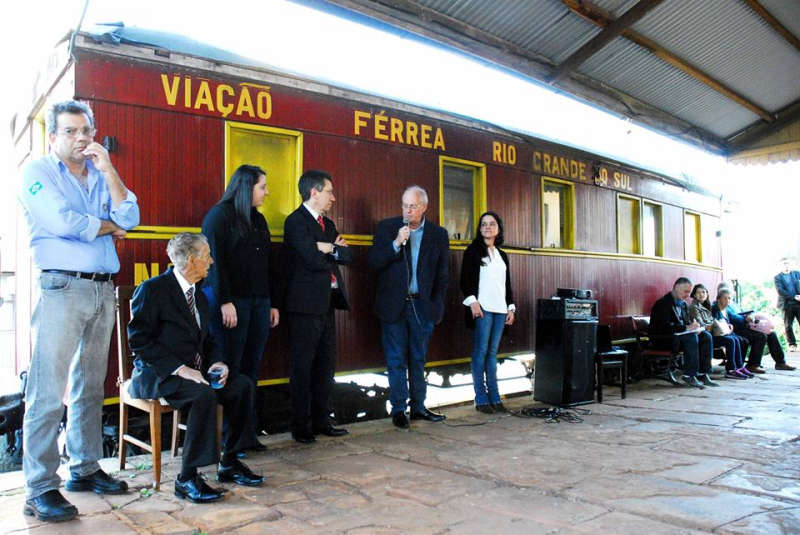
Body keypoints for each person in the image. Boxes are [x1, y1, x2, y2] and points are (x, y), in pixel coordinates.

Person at [17, 100, 139, 522]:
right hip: (62, 287)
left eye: (85, 130)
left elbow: (132, 215)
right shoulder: (36, 174)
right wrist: (108, 227)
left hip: (102, 290)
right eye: (69, 131)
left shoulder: (100, 175)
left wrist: (109, 170)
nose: (80, 138)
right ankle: (39, 488)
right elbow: (63, 221)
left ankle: (84, 469)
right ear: (53, 137)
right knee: (47, 390)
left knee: (89, 385)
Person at [128, 233, 265, 504]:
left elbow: (209, 340)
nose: (212, 262)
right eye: (207, 256)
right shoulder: (153, 289)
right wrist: (180, 369)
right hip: (158, 373)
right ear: (191, 260)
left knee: (241, 386)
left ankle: (229, 462)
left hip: (196, 372)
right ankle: (187, 478)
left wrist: (217, 363)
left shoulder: (198, 295)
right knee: (203, 395)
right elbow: (139, 340)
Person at [201, 164, 280, 451]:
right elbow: (214, 264)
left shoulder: (258, 220)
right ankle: (227, 441)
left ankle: (246, 435)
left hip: (259, 303)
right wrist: (224, 300)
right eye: (263, 186)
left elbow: (266, 266)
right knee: (229, 370)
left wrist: (271, 302)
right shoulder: (219, 217)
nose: (267, 192)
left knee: (250, 370)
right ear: (246, 188)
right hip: (231, 304)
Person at [369, 186, 450, 429]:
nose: (407, 210)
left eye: (412, 206)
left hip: (422, 306)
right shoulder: (387, 228)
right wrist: (396, 243)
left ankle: (418, 407)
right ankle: (398, 409)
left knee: (418, 358)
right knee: (395, 359)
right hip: (393, 306)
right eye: (404, 205)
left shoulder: (438, 234)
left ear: (424, 207)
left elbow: (442, 275)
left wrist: (436, 307)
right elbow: (374, 262)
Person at [283, 170, 352, 444]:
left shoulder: (328, 224)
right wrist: (327, 250)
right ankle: (301, 426)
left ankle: (323, 420)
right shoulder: (295, 222)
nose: (333, 198)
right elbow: (310, 260)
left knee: (325, 365)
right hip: (304, 306)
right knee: (302, 367)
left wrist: (328, 248)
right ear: (314, 192)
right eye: (329, 192)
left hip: (327, 304)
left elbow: (347, 255)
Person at [460, 212, 516, 413]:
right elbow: (465, 281)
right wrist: (472, 303)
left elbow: (506, 284)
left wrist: (510, 307)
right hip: (482, 310)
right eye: (484, 224)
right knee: (480, 353)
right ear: (479, 228)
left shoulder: (502, 255)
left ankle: (495, 397)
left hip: (500, 310)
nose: (488, 227)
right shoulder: (473, 251)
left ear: (498, 228)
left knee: (492, 355)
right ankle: (481, 399)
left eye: (492, 224)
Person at [649, 277, 719, 388]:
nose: (688, 295)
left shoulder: (683, 304)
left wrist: (695, 328)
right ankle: (688, 374)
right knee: (691, 337)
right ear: (676, 287)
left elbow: (686, 324)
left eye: (690, 292)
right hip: (663, 339)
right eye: (686, 291)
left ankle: (702, 373)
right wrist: (687, 328)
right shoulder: (662, 304)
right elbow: (664, 327)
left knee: (706, 336)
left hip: (679, 338)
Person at [712, 284, 795, 373]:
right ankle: (753, 364)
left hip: (747, 325)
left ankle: (780, 362)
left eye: (730, 294)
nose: (729, 297)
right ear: (720, 295)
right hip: (737, 329)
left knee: (771, 334)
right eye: (727, 293)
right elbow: (733, 318)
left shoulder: (733, 303)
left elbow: (742, 312)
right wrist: (745, 319)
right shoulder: (720, 305)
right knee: (760, 336)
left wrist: (749, 315)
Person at [688, 284, 751, 380]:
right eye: (698, 292)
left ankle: (739, 366)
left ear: (707, 294)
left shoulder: (706, 305)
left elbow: (710, 322)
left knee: (736, 339)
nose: (701, 294)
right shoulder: (694, 307)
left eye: (703, 292)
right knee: (731, 341)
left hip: (711, 333)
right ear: (694, 295)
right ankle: (731, 369)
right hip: (706, 336)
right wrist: (712, 325)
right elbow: (701, 324)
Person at [774, 258, 800, 352]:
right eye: (785, 263)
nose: (787, 265)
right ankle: (792, 344)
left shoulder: (797, 274)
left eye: (788, 263)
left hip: (798, 303)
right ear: (781, 265)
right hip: (787, 304)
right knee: (788, 325)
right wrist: (794, 297)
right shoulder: (778, 277)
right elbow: (780, 291)